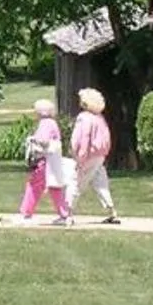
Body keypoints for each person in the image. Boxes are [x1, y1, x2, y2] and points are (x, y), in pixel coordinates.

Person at [19, 97, 73, 222]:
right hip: (53, 160)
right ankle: (64, 214)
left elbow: (43, 140)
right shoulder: (52, 122)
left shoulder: (45, 123)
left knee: (34, 185)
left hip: (44, 160)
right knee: (55, 187)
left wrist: (32, 140)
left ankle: (26, 212)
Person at [72, 87, 118, 222]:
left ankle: (67, 212)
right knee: (101, 183)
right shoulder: (99, 118)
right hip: (100, 156)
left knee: (76, 182)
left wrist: (80, 156)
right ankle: (111, 210)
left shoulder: (83, 118)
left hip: (88, 155)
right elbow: (107, 137)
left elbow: (82, 137)